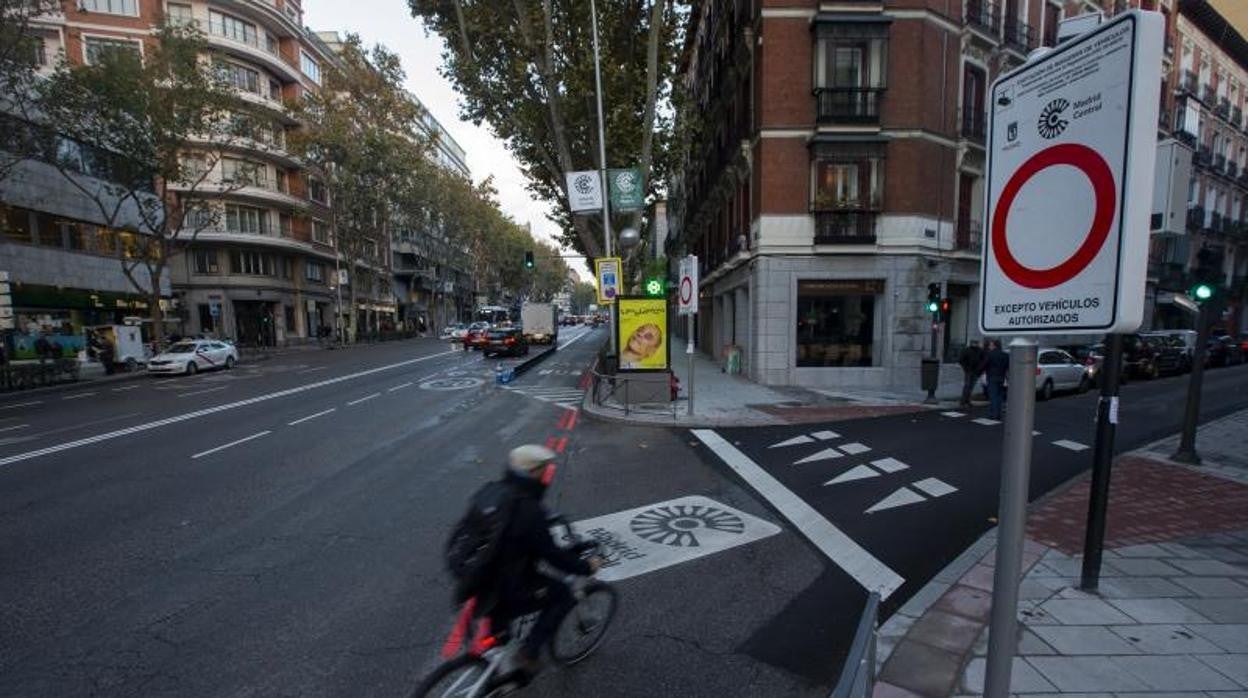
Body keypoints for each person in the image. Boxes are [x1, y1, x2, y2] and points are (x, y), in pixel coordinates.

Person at [484, 445, 600, 678]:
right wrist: (586, 566)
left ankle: (497, 673)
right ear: (535, 473)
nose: (548, 474)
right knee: (562, 594)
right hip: (509, 583)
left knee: (500, 631)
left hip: (479, 577)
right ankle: (528, 653)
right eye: (546, 470)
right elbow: (553, 556)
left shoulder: (494, 491)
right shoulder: (529, 511)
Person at [980, 340, 1010, 420]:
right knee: (999, 396)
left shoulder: (990, 354)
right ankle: (998, 414)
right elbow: (1008, 367)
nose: (989, 347)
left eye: (991, 345)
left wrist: (979, 371)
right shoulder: (1005, 355)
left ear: (994, 346)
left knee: (993, 396)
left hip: (992, 377)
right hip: (1001, 377)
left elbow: (984, 364)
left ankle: (994, 414)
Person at [957, 340, 984, 408]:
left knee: (970, 386)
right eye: (974, 343)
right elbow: (961, 360)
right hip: (969, 370)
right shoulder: (967, 350)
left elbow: (983, 360)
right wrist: (965, 368)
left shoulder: (980, 350)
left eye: (976, 343)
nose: (975, 344)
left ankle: (967, 400)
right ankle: (963, 401)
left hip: (975, 371)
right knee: (967, 386)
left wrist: (980, 369)